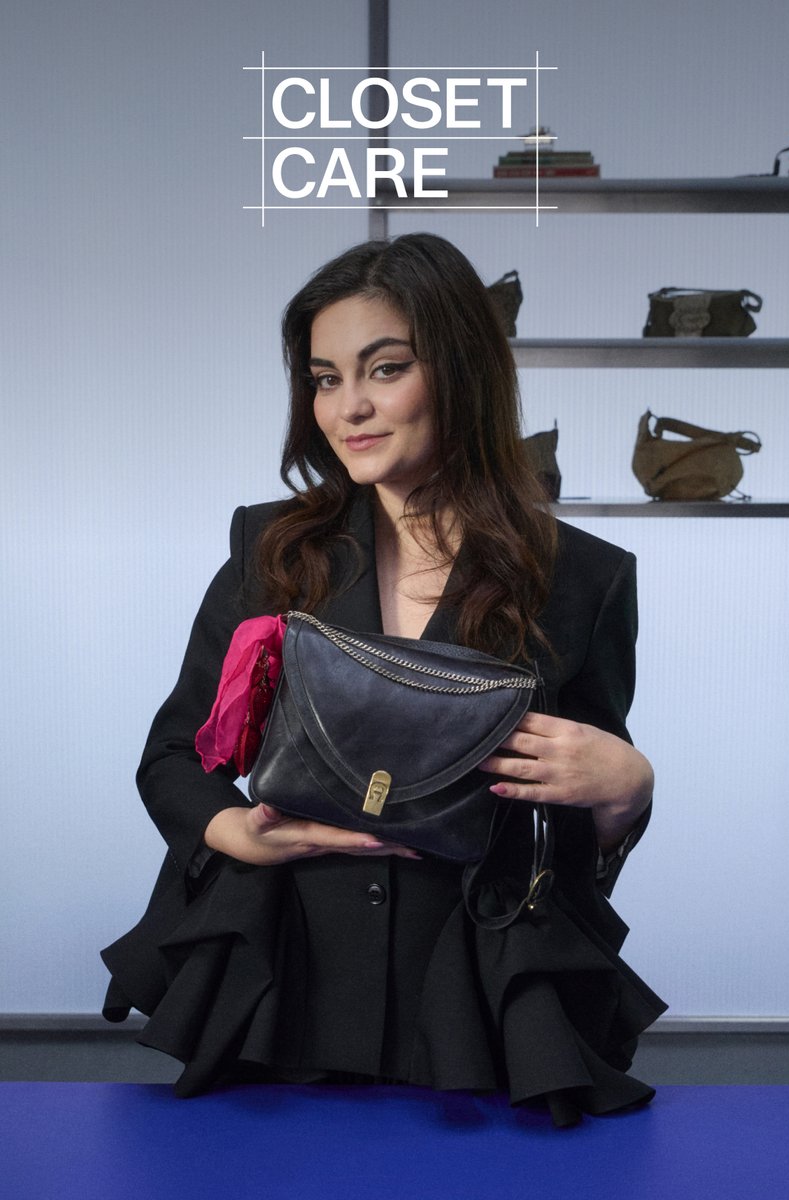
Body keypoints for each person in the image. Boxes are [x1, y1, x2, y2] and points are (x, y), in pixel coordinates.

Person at [102, 233, 666, 1127]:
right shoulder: (272, 546)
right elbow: (173, 755)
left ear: (462, 373)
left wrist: (628, 791)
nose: (348, 407)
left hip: (479, 996)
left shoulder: (587, 577)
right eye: (326, 377)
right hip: (280, 978)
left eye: (385, 368)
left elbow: (574, 830)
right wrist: (234, 832)